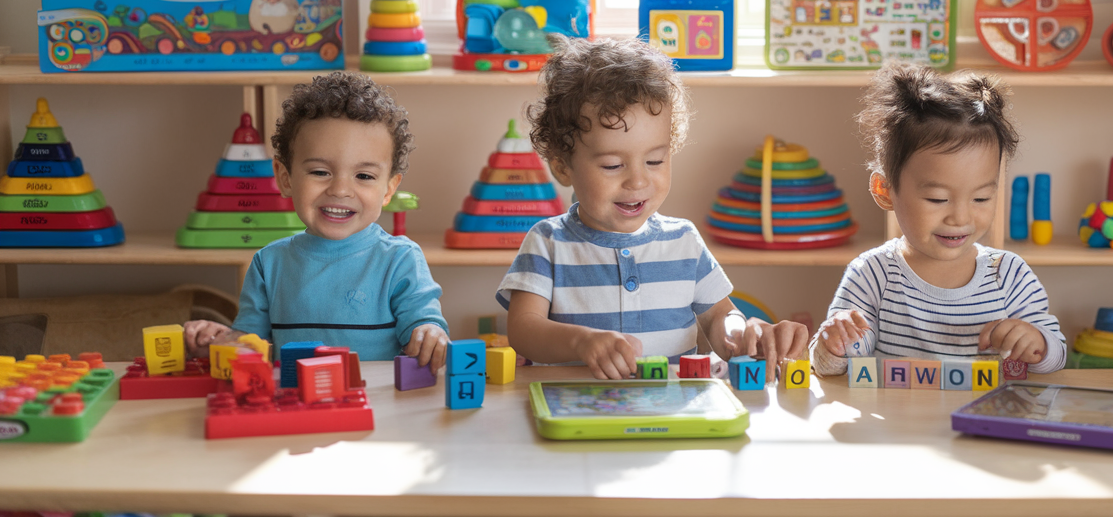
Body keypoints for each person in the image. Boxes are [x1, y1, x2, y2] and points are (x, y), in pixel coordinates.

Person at [497, 38, 808, 381]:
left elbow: (719, 315)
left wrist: (742, 334)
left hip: (674, 406)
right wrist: (580, 341)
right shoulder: (547, 242)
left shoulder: (684, 240)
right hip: (577, 407)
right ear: (563, 167)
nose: (637, 181)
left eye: (655, 160)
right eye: (613, 165)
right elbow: (524, 329)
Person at [183, 72, 449, 373]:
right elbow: (247, 344)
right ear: (285, 178)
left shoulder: (401, 259)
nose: (340, 190)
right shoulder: (267, 263)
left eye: (364, 176)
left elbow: (425, 325)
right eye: (320, 172)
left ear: (388, 189)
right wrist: (218, 340)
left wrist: (430, 333)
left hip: (377, 410)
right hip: (294, 409)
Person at [811, 62, 1066, 376]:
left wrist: (1037, 344)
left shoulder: (1008, 275)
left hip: (984, 421)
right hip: (898, 421)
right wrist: (833, 346)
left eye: (981, 198)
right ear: (885, 190)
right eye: (938, 199)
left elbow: (1055, 356)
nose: (960, 217)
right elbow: (829, 365)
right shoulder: (873, 274)